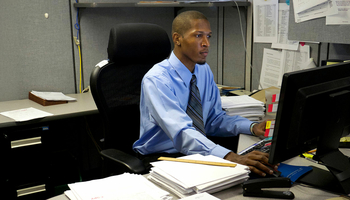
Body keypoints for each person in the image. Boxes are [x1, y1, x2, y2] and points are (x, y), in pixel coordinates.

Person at [133, 10, 278, 177]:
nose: (206, 43)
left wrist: (252, 127)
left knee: (256, 173)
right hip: (162, 157)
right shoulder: (157, 80)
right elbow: (181, 132)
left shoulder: (203, 71)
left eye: (208, 36)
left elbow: (214, 119)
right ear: (177, 38)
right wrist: (231, 157)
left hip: (196, 149)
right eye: (198, 36)